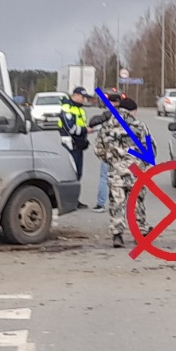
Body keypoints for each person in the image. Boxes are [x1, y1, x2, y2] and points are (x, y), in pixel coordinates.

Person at [88, 94, 149, 249]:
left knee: (117, 202)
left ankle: (117, 235)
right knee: (137, 202)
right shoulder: (140, 126)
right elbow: (149, 150)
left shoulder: (107, 127)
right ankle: (140, 233)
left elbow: (98, 149)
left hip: (116, 171)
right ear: (132, 111)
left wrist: (111, 160)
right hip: (136, 172)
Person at [59, 90, 90, 205]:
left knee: (78, 173)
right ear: (75, 95)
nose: (84, 99)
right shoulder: (67, 107)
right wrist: (85, 130)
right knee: (72, 173)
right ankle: (68, 201)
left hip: (78, 144)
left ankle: (74, 200)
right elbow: (70, 128)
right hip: (70, 144)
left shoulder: (79, 108)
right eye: (82, 97)